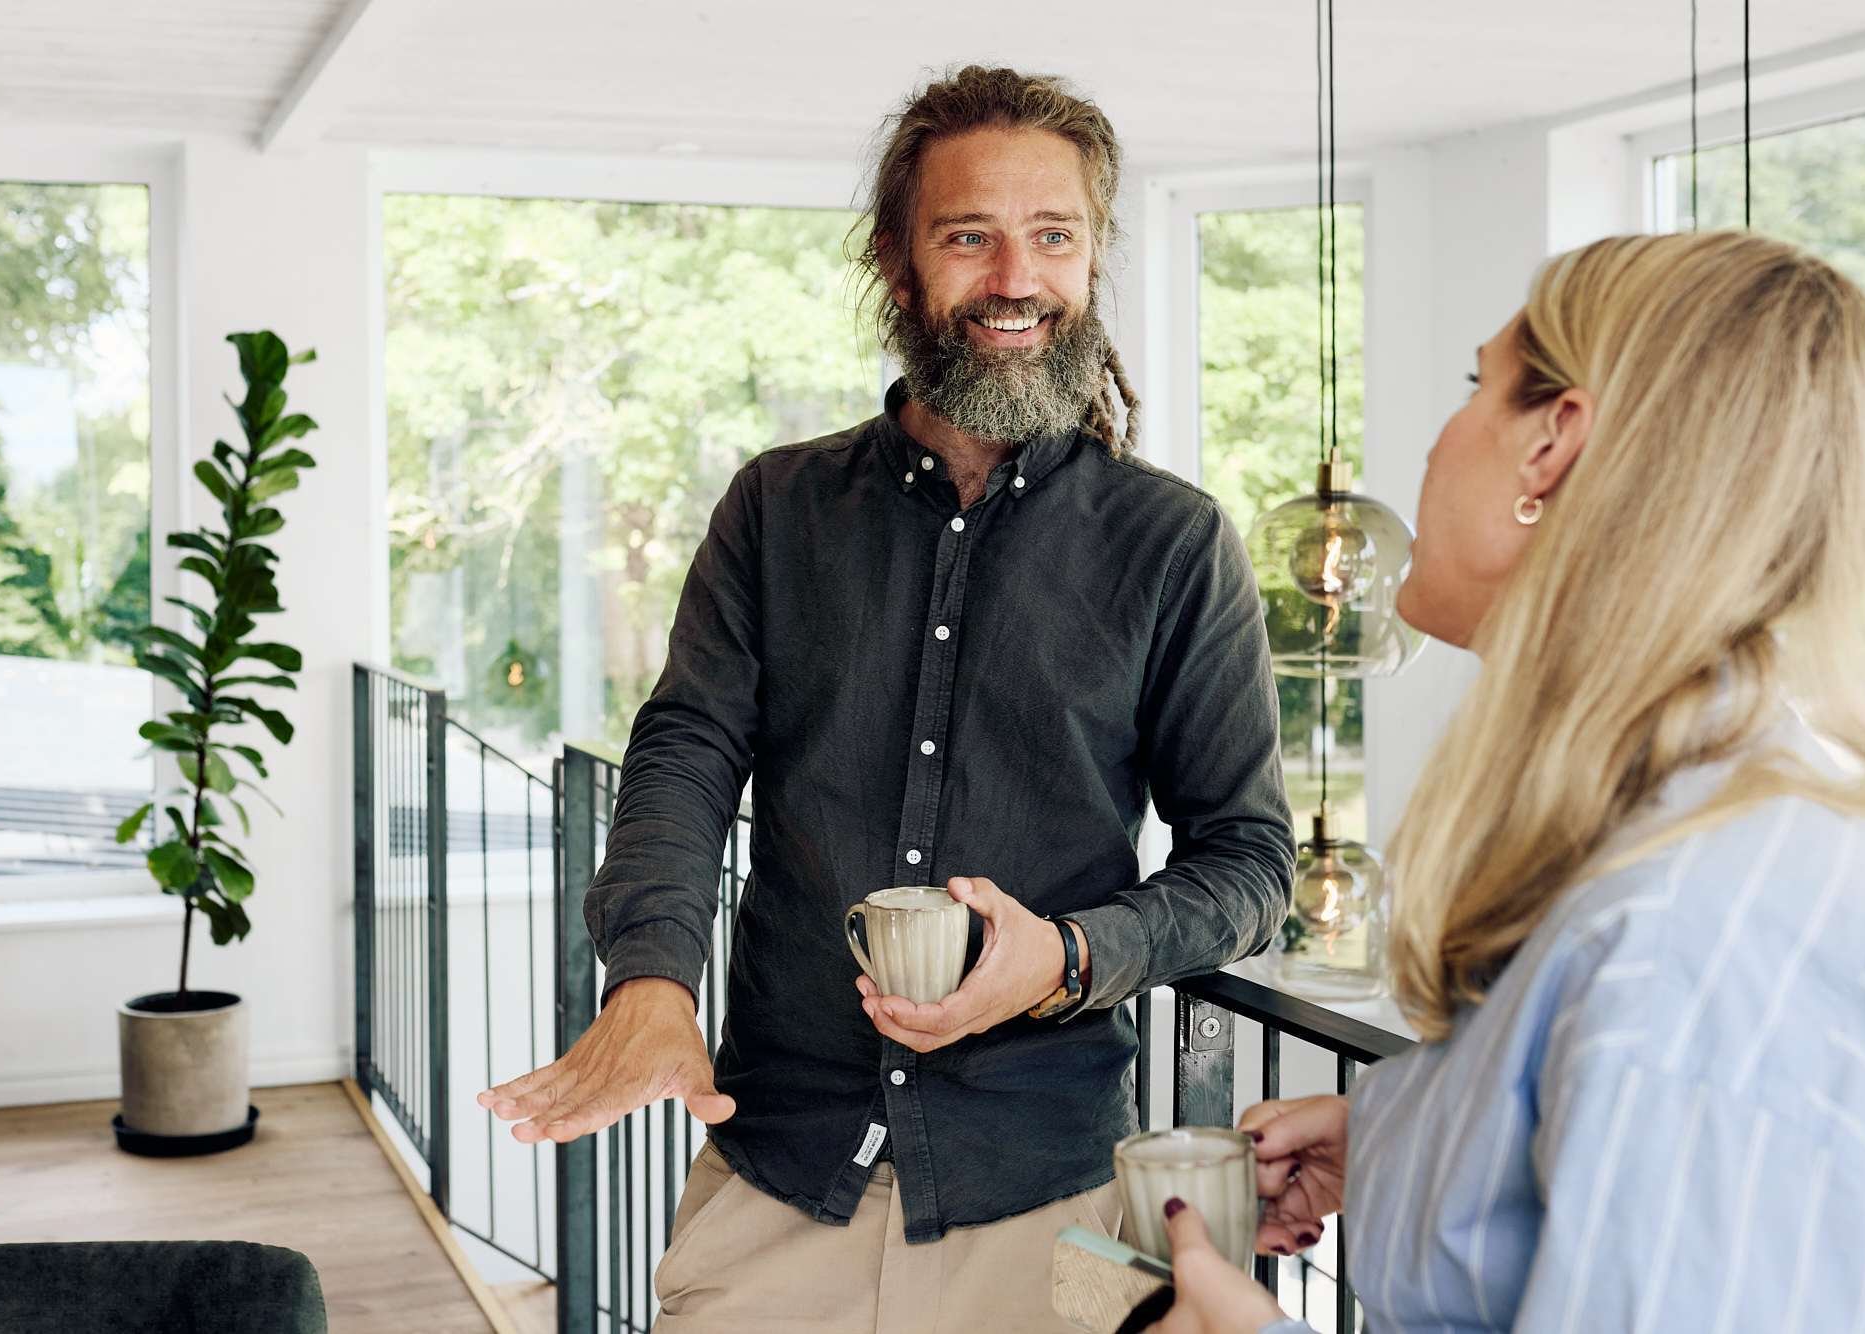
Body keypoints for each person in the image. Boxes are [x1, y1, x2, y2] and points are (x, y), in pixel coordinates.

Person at [476, 65, 1297, 1332]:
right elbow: (686, 751)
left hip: (1065, 1200)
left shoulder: (1174, 545)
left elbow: (1247, 865)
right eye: (969, 235)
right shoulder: (775, 505)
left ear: (1090, 258)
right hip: (776, 1177)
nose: (1014, 276)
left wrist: (1069, 958)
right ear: (897, 264)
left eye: (1053, 236)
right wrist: (652, 977)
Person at [1142, 229, 1865, 1333]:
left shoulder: (1697, 935)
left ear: (1551, 447)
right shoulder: (1640, 835)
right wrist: (1418, 1143)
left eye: (1477, 385)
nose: (1431, 440)